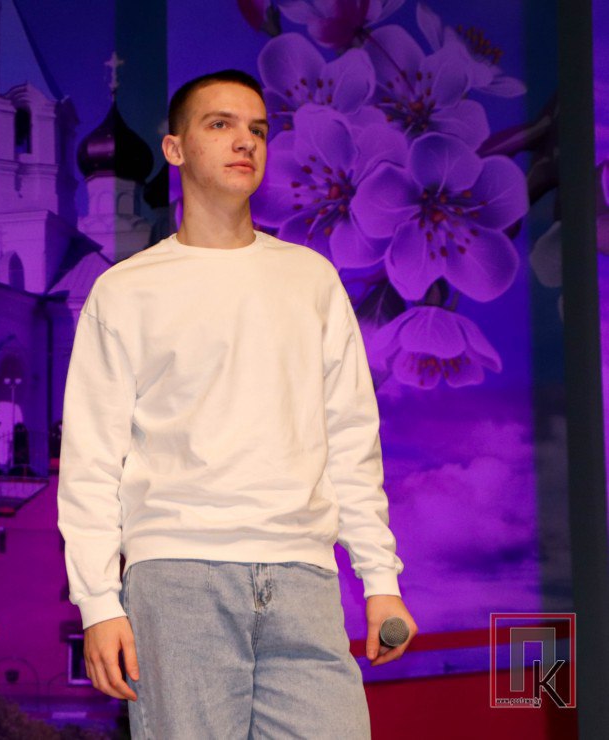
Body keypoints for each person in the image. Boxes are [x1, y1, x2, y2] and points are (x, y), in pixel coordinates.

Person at [57, 69, 418, 739]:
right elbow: (92, 460)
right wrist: (99, 602)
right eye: (219, 124)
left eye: (257, 129)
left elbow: (350, 439)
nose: (244, 141)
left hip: (303, 578)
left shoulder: (310, 279)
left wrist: (380, 579)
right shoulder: (126, 290)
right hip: (178, 578)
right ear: (174, 149)